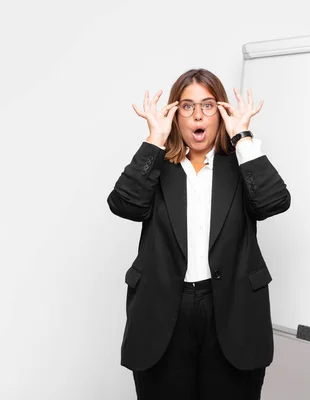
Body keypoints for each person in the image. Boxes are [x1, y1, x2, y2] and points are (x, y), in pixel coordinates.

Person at [107, 68, 290, 400]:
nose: (197, 116)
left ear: (221, 113)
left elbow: (274, 202)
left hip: (231, 310)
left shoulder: (241, 165)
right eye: (187, 106)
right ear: (176, 115)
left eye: (207, 105)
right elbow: (124, 205)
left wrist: (243, 138)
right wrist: (154, 141)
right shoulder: (158, 167)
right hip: (165, 311)